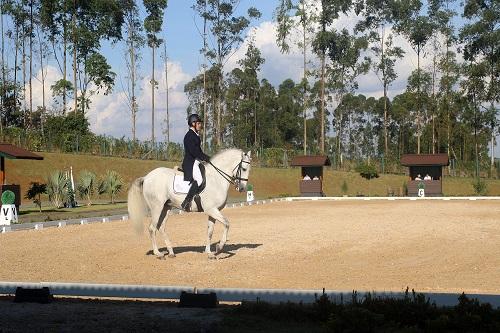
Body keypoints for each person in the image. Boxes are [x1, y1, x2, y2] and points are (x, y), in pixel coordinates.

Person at [181, 114, 211, 212]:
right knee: (198, 179)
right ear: (193, 124)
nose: (200, 125)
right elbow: (194, 152)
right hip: (190, 162)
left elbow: (199, 152)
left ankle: (199, 196)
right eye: (198, 123)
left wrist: (207, 158)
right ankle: (186, 201)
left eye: (199, 123)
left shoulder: (195, 135)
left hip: (196, 162)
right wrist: (206, 158)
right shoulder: (189, 136)